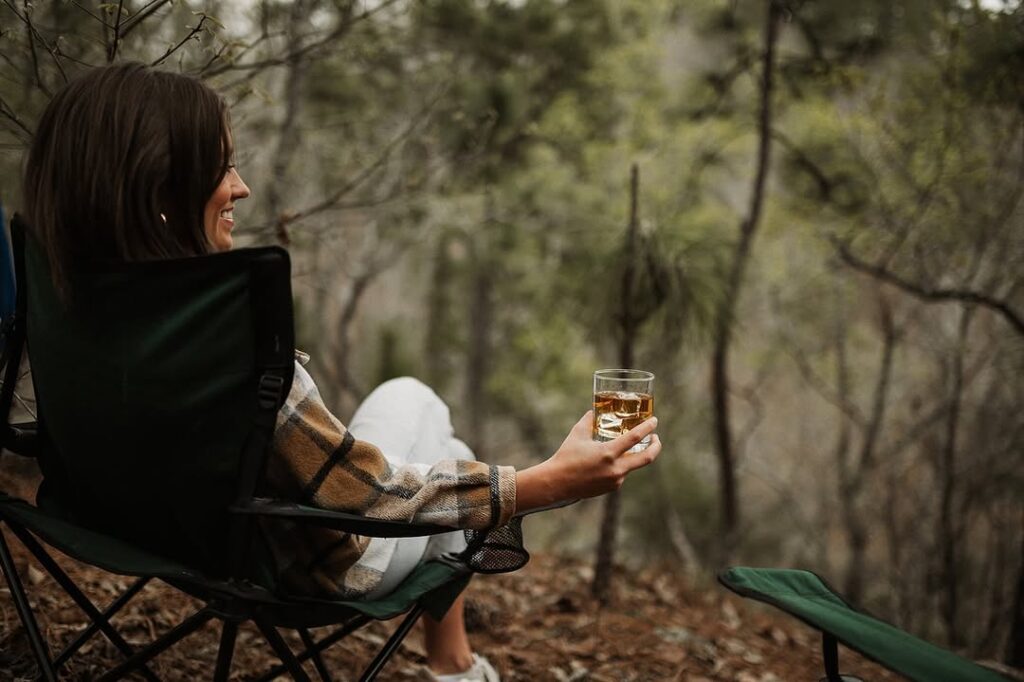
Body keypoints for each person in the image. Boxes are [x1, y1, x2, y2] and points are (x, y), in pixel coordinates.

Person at [21, 63, 661, 682]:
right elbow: (374, 499)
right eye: (220, 166)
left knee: (435, 433)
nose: (241, 186)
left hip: (127, 522)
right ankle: (456, 671)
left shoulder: (65, 301)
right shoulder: (223, 339)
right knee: (419, 403)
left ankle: (455, 666)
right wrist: (548, 482)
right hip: (296, 562)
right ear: (160, 192)